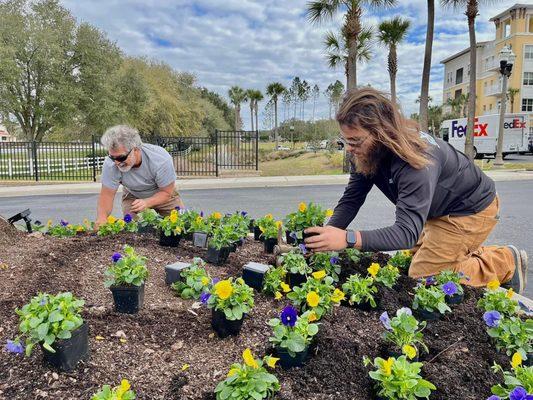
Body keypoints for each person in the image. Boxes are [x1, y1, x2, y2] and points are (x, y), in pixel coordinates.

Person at [304, 87, 528, 294]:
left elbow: (406, 233)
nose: (350, 149)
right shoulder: (366, 152)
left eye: (355, 141)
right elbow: (352, 198)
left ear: (382, 132)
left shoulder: (415, 161)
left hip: (470, 209)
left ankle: (505, 261)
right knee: (415, 261)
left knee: (425, 276)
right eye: (346, 141)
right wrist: (326, 237)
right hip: (436, 208)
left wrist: (347, 238)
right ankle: (462, 252)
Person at [95, 125, 184, 227]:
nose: (116, 163)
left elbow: (166, 192)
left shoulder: (160, 159)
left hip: (162, 194)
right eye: (112, 157)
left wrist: (147, 202)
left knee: (181, 225)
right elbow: (107, 195)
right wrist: (101, 218)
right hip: (133, 195)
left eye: (121, 157)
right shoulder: (110, 164)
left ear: (136, 149)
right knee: (132, 230)